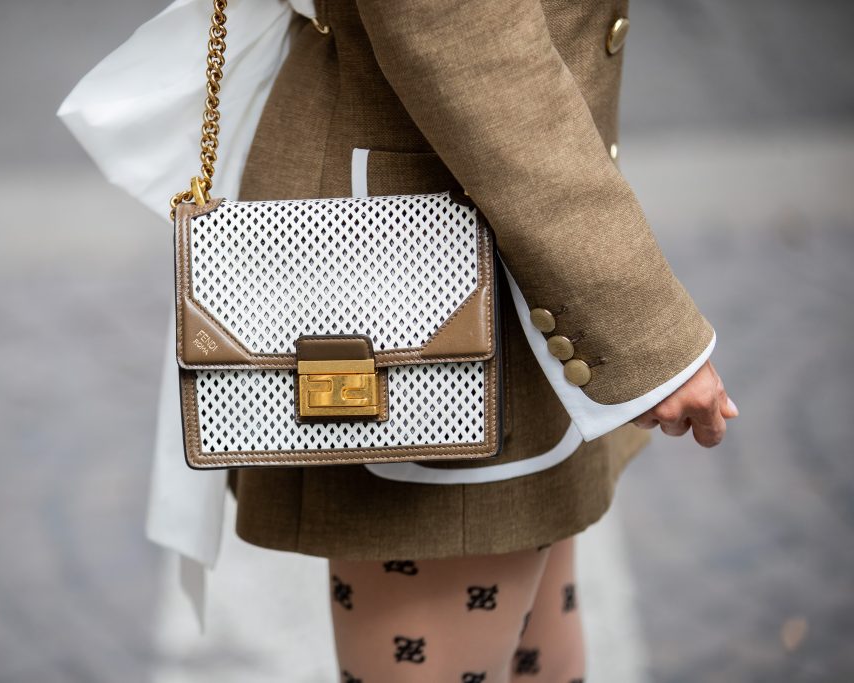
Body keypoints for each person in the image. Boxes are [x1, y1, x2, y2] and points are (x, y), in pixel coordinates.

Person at [60, 0, 738, 680]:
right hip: (412, 272)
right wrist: (641, 329)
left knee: (536, 628)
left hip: (514, 249)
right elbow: (467, 37)